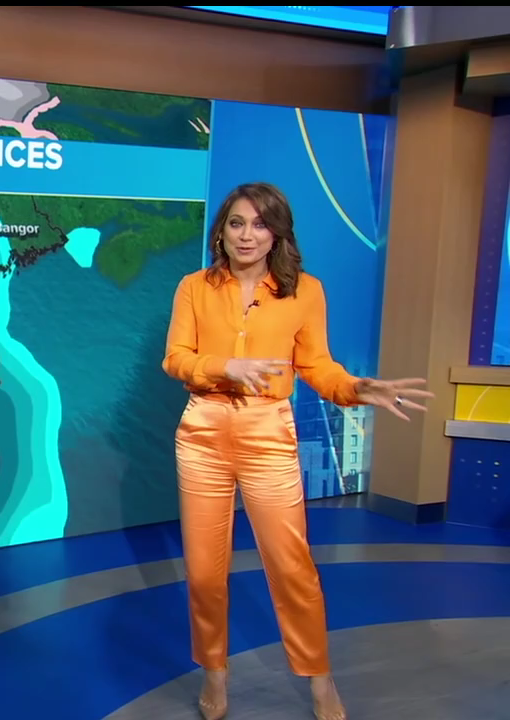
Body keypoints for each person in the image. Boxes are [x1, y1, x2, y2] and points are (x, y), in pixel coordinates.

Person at [161, 182, 433, 720]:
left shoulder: (305, 291)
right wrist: (223, 366)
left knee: (292, 569)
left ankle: (319, 679)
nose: (247, 235)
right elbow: (175, 358)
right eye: (237, 223)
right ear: (221, 231)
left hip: (267, 432)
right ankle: (214, 671)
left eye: (261, 224)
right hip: (203, 432)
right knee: (205, 573)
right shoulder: (194, 287)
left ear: (278, 233)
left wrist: (355, 388)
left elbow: (317, 366)